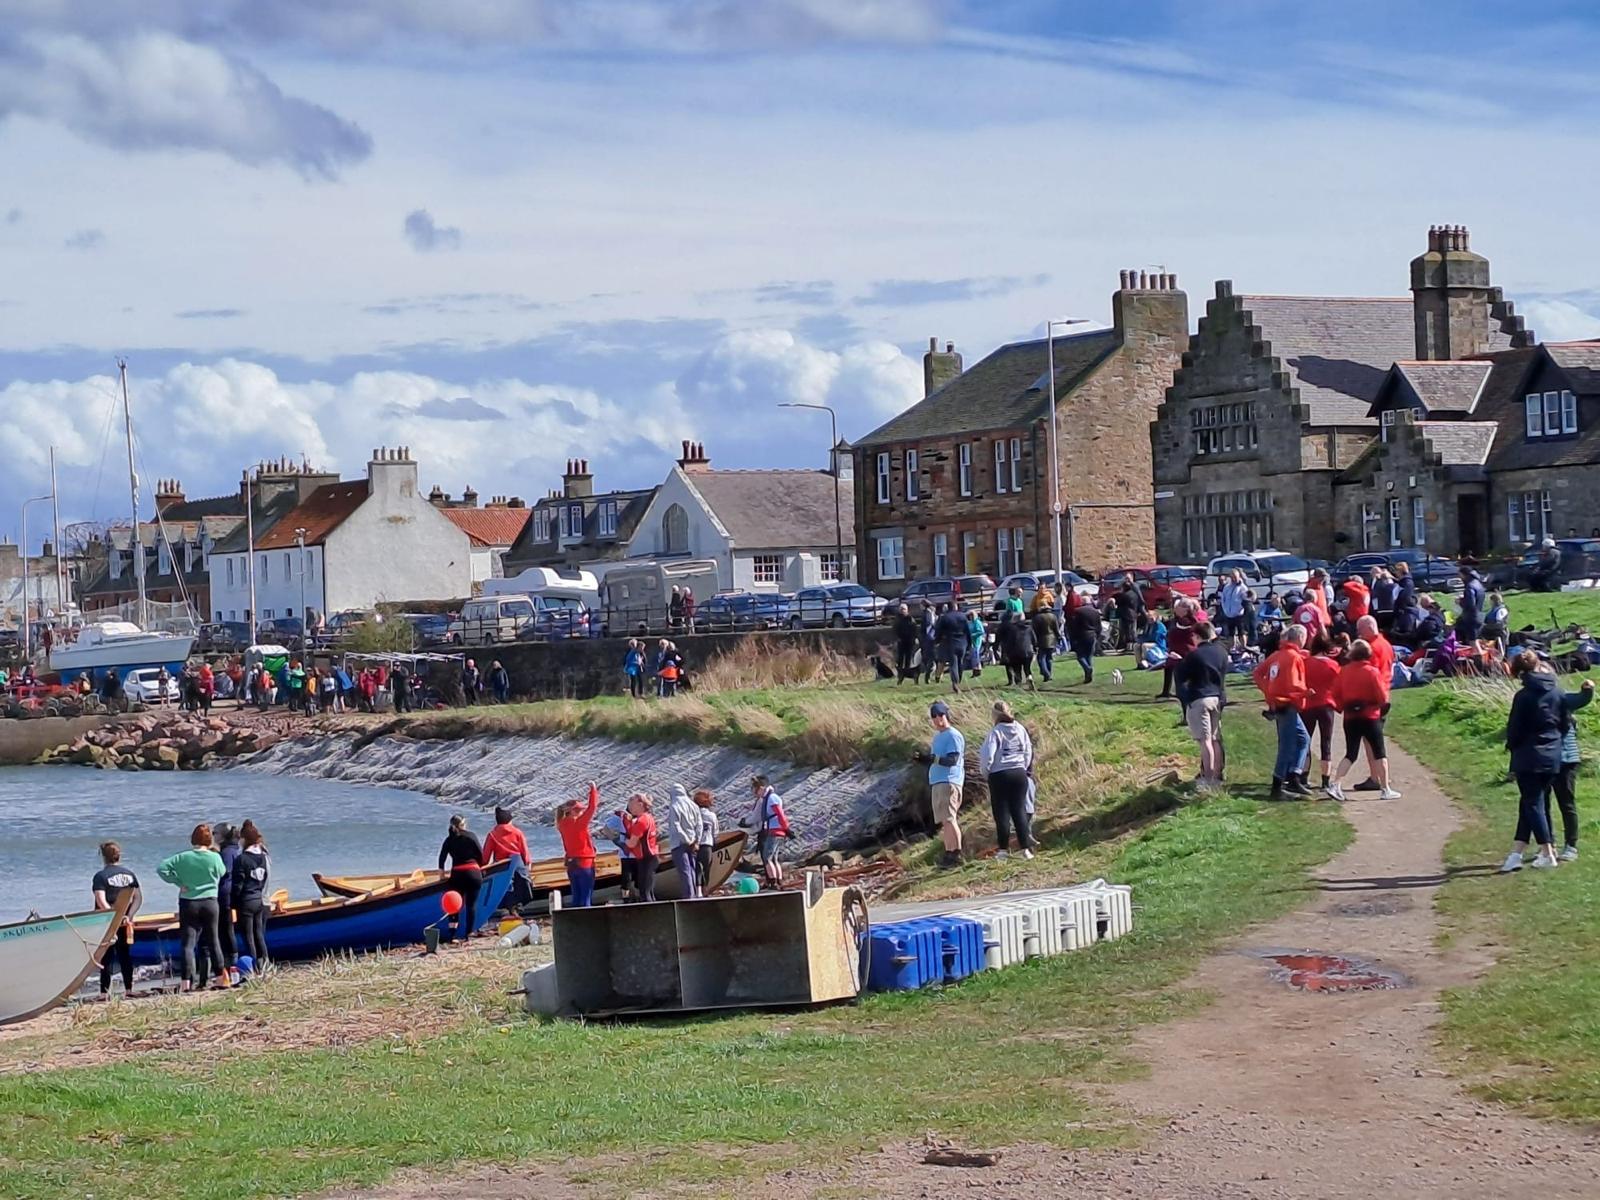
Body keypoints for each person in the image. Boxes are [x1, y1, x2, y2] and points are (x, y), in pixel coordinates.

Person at [1500, 652, 1572, 872]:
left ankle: (1547, 852)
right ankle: (1516, 853)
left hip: (1529, 755)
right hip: (1553, 754)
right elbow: (1565, 724)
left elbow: (1515, 729)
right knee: (1530, 804)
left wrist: (1512, 746)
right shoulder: (1557, 691)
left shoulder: (1523, 696)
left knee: (1533, 803)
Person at [1322, 640, 1400, 802]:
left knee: (1351, 753)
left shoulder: (1344, 671)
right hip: (1370, 716)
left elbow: (1334, 693)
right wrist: (1378, 705)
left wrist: (1343, 706)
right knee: (1379, 752)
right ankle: (1385, 788)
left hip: (1351, 717)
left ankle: (1336, 784)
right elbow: (1382, 696)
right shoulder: (1372, 672)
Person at [157, 823, 229, 991]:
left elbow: (162, 869)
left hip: (189, 901)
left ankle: (186, 983)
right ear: (209, 840)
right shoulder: (214, 857)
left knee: (188, 944)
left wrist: (178, 882)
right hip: (210, 901)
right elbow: (222, 872)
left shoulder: (183, 857)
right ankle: (220, 978)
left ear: (192, 839)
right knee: (213, 940)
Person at [1253, 624, 1312, 800]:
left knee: (1303, 738)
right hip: (1287, 704)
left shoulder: (1277, 655)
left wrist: (1268, 690)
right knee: (1287, 745)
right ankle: (1277, 785)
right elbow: (1294, 683)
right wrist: (1305, 692)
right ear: (1300, 638)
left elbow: (1258, 674)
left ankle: (1294, 775)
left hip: (1278, 703)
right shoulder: (1294, 657)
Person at [1175, 621, 1228, 788]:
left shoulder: (1195, 655)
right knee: (1215, 739)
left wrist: (1186, 698)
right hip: (1216, 698)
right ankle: (1218, 774)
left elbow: (1181, 676)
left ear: (1197, 636)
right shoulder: (1221, 652)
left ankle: (1208, 778)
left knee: (1205, 741)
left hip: (1199, 698)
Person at [980, 700, 1036, 859]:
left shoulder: (995, 732)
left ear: (995, 715)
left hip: (999, 774)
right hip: (1019, 773)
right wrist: (1022, 768)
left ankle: (1003, 850)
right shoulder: (1019, 728)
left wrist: (987, 774)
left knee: (1001, 813)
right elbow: (1028, 751)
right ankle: (1025, 849)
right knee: (1019, 810)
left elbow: (987, 757)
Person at [918, 700, 966, 867]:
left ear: (947, 716)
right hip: (937, 781)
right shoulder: (938, 737)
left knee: (950, 818)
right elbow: (936, 759)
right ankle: (948, 851)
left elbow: (953, 759)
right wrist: (924, 760)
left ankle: (957, 852)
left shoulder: (953, 735)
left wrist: (934, 759)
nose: (938, 720)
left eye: (941, 716)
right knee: (944, 821)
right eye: (934, 717)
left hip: (949, 781)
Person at [1550, 677, 1593, 863]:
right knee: (1542, 804)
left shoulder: (1562, 698)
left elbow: (1583, 698)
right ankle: (1548, 844)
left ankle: (1571, 846)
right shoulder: (1530, 699)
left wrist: (1588, 688)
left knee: (1566, 803)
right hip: (1543, 759)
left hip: (1566, 760)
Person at [92, 842, 141, 996]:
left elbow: (101, 900)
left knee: (106, 957)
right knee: (125, 955)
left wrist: (112, 917)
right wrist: (129, 916)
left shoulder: (100, 876)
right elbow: (138, 898)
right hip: (125, 920)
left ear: (103, 857)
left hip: (108, 922)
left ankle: (104, 993)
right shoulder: (130, 875)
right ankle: (129, 989)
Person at [1302, 636, 1342, 791]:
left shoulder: (1305, 663)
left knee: (1306, 742)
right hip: (1326, 705)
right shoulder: (1333, 665)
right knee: (1326, 743)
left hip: (1308, 704)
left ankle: (1303, 776)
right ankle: (1325, 781)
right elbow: (1339, 686)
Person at [437, 815, 485, 941]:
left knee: (454, 905)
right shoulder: (471, 836)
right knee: (471, 905)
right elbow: (481, 855)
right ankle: (468, 934)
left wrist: (441, 874)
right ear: (463, 824)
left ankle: (452, 934)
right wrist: (481, 868)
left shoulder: (449, 839)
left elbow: (442, 858)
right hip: (473, 873)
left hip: (457, 875)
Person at [231, 821, 270, 970]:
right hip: (258, 898)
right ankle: (265, 963)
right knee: (259, 934)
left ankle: (253, 967)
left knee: (248, 936)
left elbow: (238, 883)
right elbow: (265, 876)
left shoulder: (242, 859)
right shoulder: (262, 856)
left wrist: (233, 901)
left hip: (246, 901)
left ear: (243, 839)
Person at [743, 775, 791, 889]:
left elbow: (780, 814)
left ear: (762, 788)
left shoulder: (771, 798)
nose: (754, 792)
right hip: (776, 830)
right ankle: (778, 881)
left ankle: (774, 882)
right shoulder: (768, 798)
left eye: (755, 788)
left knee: (767, 857)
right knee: (773, 858)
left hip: (775, 831)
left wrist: (786, 828)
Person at [556, 783, 600, 908]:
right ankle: (586, 923)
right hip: (585, 862)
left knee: (576, 897)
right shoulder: (580, 823)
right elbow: (592, 807)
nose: (581, 812)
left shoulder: (561, 824)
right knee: (586, 898)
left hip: (571, 864)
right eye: (578, 810)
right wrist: (593, 790)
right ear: (571, 811)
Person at [484, 806, 533, 909]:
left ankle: (505, 908)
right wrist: (528, 865)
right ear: (510, 820)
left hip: (501, 867)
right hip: (518, 867)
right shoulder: (517, 832)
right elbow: (525, 852)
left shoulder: (492, 835)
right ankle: (518, 906)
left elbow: (485, 857)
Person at [211, 822, 241, 982]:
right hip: (229, 894)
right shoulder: (233, 849)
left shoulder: (227, 852)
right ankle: (230, 964)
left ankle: (230, 965)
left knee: (225, 930)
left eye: (215, 833)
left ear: (222, 836)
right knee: (226, 930)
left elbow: (224, 873)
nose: (213, 836)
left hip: (224, 895)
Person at [665, 783, 703, 899]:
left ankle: (688, 896)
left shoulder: (674, 806)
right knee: (692, 868)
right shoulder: (693, 805)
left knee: (684, 870)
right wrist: (696, 840)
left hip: (678, 843)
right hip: (693, 842)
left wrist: (686, 840)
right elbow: (699, 824)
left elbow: (676, 826)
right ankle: (695, 894)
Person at [622, 794, 660, 901]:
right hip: (650, 857)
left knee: (644, 891)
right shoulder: (648, 818)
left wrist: (620, 840)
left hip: (646, 858)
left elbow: (632, 843)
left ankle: (649, 914)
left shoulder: (641, 821)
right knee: (648, 890)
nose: (629, 807)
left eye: (631, 804)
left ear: (640, 804)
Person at [934, 602, 970, 693]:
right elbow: (967, 631)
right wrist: (969, 643)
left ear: (948, 608)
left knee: (953, 664)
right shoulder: (963, 616)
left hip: (950, 642)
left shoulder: (945, 617)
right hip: (962, 642)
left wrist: (937, 641)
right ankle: (959, 679)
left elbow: (939, 631)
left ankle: (955, 683)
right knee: (960, 662)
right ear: (956, 607)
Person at [1000, 612, 1037, 689]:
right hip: (1028, 651)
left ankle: (1019, 683)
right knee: (1027, 668)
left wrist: (1006, 652)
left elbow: (1009, 642)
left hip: (1016, 653)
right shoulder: (1029, 628)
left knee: (1017, 669)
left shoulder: (1012, 629)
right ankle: (1029, 677)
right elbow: (1034, 640)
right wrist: (1035, 648)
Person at [1068, 596, 1100, 684]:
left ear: (1082, 602)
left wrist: (1073, 637)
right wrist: (1097, 635)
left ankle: (1087, 669)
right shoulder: (1095, 611)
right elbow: (1098, 625)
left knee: (1080, 656)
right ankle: (1088, 675)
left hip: (1081, 635)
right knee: (1089, 656)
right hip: (1092, 635)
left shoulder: (1078, 611)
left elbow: (1074, 625)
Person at [694, 789, 719, 892]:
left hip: (695, 845)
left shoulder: (694, 815)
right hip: (707, 845)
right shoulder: (711, 816)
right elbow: (715, 832)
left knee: (697, 869)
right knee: (706, 869)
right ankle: (705, 891)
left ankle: (697, 891)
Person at [1218, 570, 1251, 650]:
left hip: (1239, 614)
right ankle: (1232, 648)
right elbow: (1223, 599)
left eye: (1235, 577)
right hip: (1229, 613)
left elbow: (1246, 599)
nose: (1234, 579)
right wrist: (1225, 609)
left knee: (1241, 632)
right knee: (1230, 633)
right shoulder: (1227, 587)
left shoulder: (1243, 588)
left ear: (1239, 576)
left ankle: (1244, 647)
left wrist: (1240, 608)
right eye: (1232, 577)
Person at [1456, 565, 1487, 643]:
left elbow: (1470, 603)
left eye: (1460, 575)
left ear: (1464, 574)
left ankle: (1478, 654)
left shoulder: (1469, 586)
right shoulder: (1478, 584)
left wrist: (1460, 601)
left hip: (1471, 617)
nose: (1459, 577)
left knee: (1472, 641)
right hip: (1479, 615)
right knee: (1476, 640)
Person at [1113, 576, 1145, 652]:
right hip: (1134, 613)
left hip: (1126, 614)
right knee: (1133, 631)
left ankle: (1129, 647)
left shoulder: (1123, 595)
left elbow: (1118, 603)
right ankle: (1133, 647)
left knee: (1127, 631)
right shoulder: (1134, 594)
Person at [1031, 601, 1060, 684]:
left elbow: (1034, 631)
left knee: (1041, 659)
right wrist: (1058, 637)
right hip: (1052, 639)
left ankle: (1046, 674)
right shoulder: (1053, 616)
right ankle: (1049, 674)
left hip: (1041, 639)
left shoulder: (1037, 618)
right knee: (1049, 658)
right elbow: (1056, 629)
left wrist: (1034, 641)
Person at [892, 605, 919, 683]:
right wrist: (897, 638)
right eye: (901, 609)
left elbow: (914, 629)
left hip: (909, 641)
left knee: (908, 657)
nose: (902, 611)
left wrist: (915, 638)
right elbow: (894, 630)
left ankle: (907, 672)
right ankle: (900, 673)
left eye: (904, 609)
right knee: (900, 658)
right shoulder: (897, 619)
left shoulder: (911, 619)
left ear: (907, 610)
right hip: (901, 641)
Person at [965, 608, 987, 677]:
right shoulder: (970, 622)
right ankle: (975, 670)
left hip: (976, 641)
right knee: (973, 656)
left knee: (976, 655)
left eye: (971, 615)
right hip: (971, 641)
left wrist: (973, 635)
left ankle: (978, 670)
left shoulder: (977, 622)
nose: (970, 617)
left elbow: (981, 631)